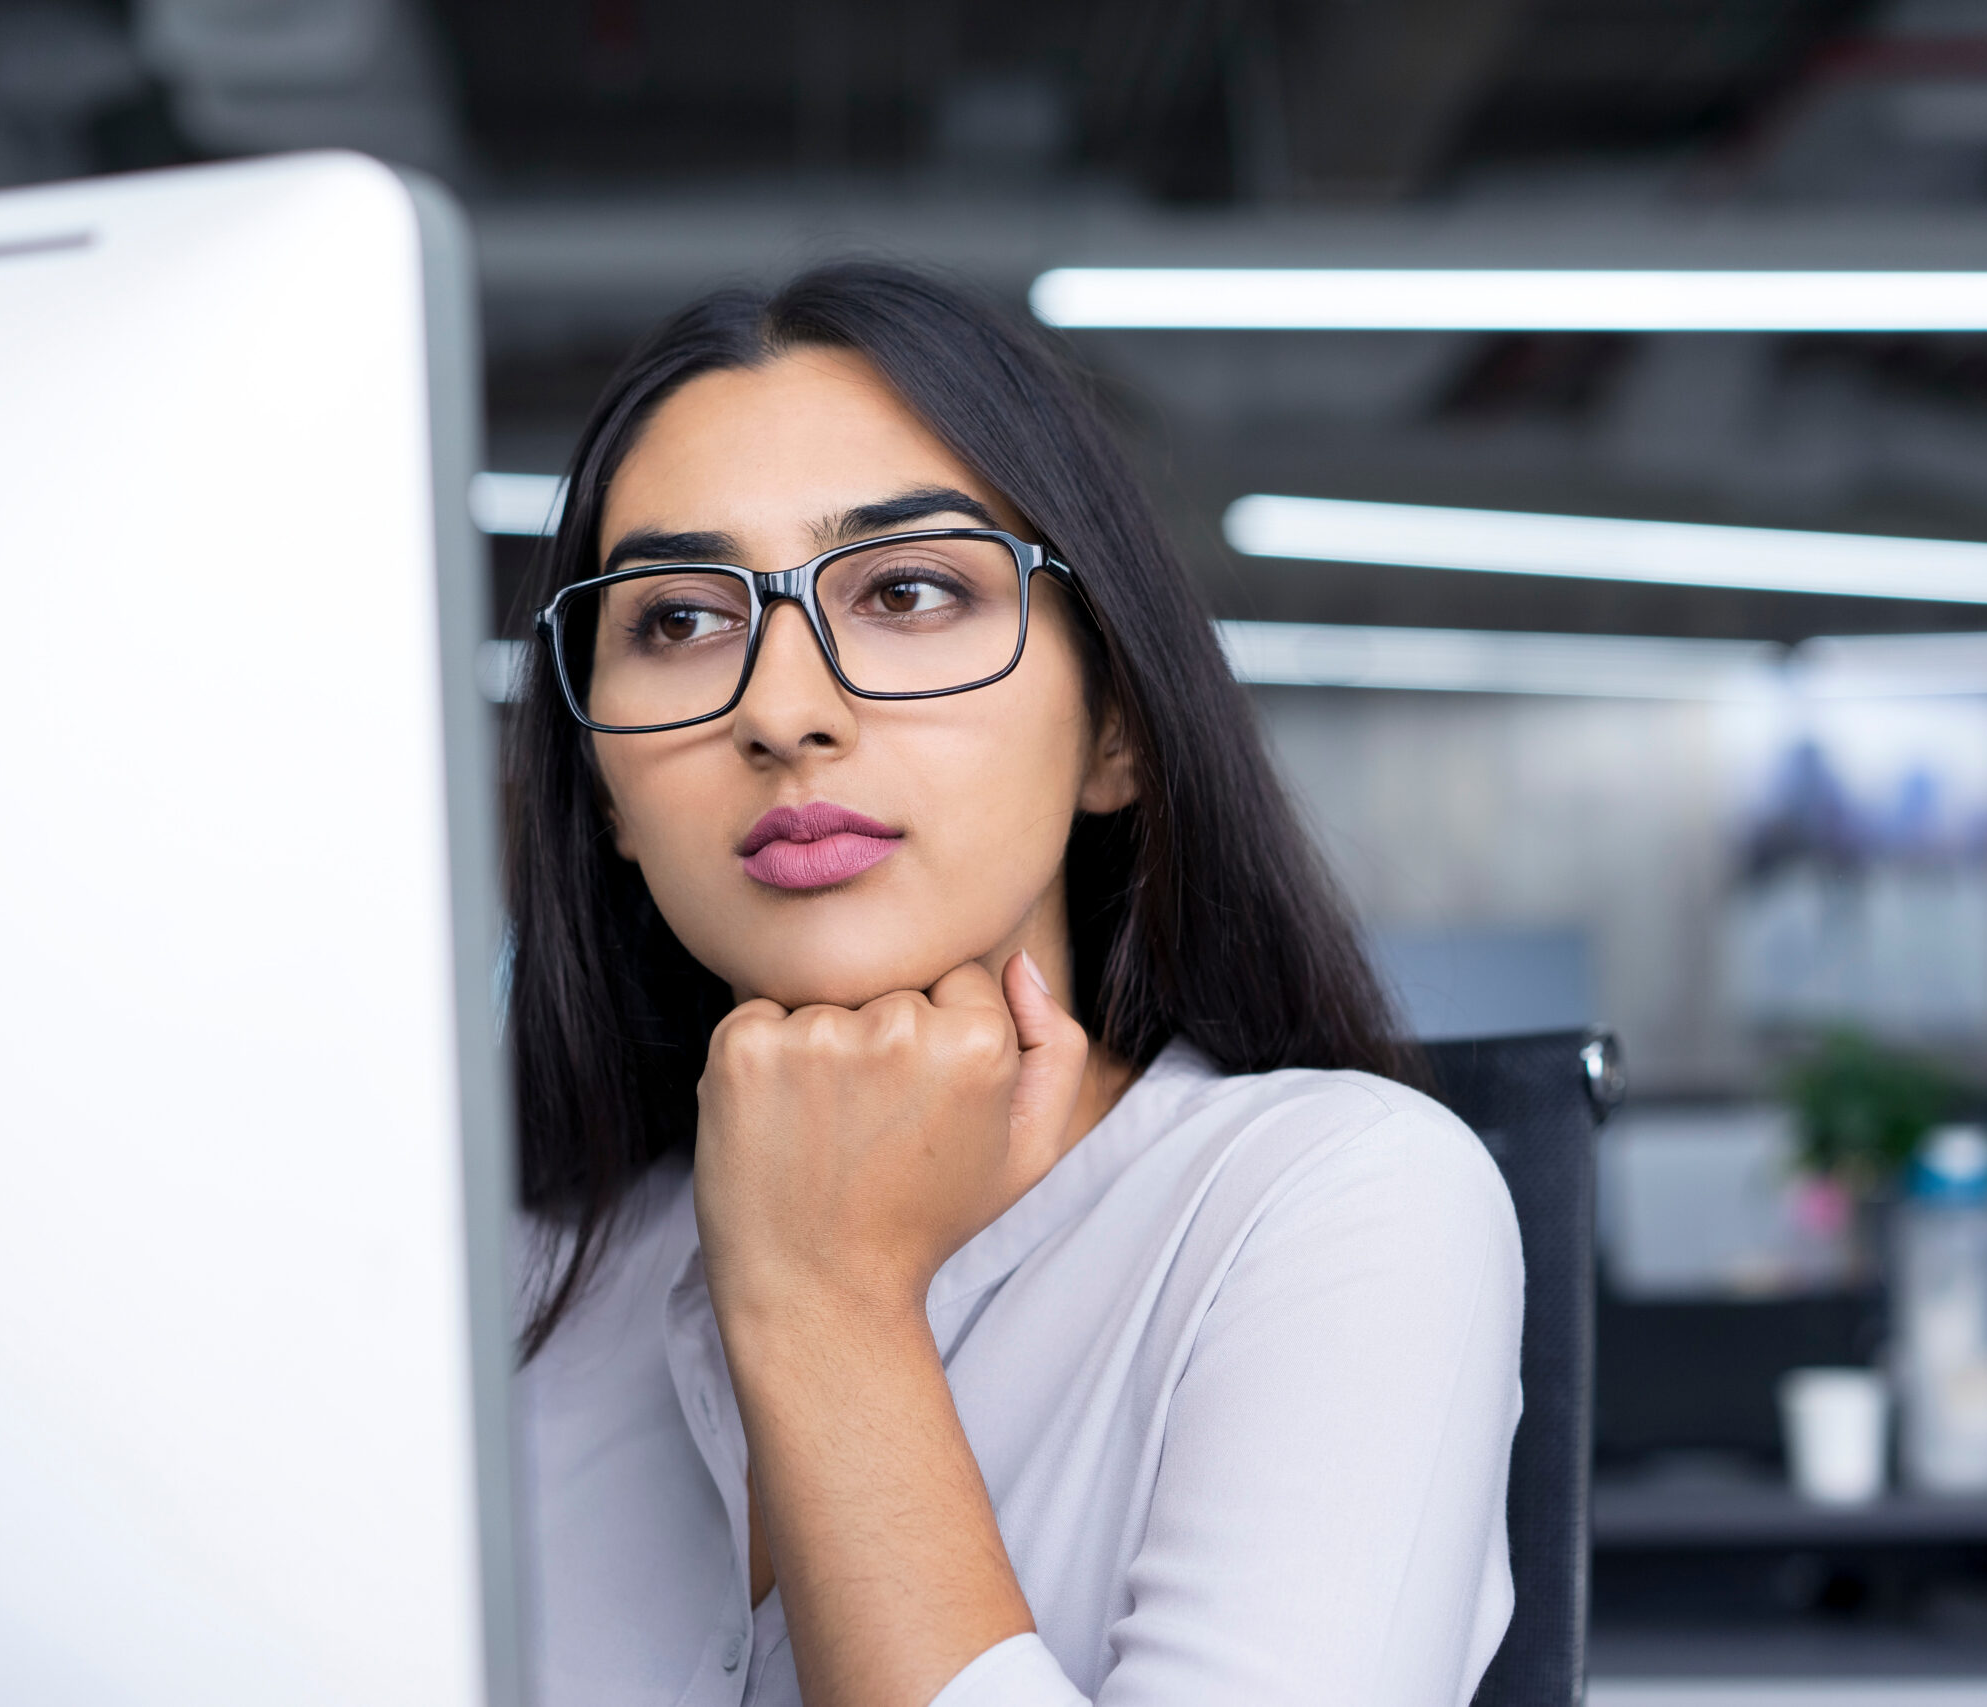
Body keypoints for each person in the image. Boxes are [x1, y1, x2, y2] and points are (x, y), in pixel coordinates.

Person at [503, 262, 1523, 1707]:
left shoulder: (1338, 1202)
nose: (786, 714)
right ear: (602, 786)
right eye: (676, 620)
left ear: (1116, 729)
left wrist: (826, 1304)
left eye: (910, 590)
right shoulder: (519, 1284)